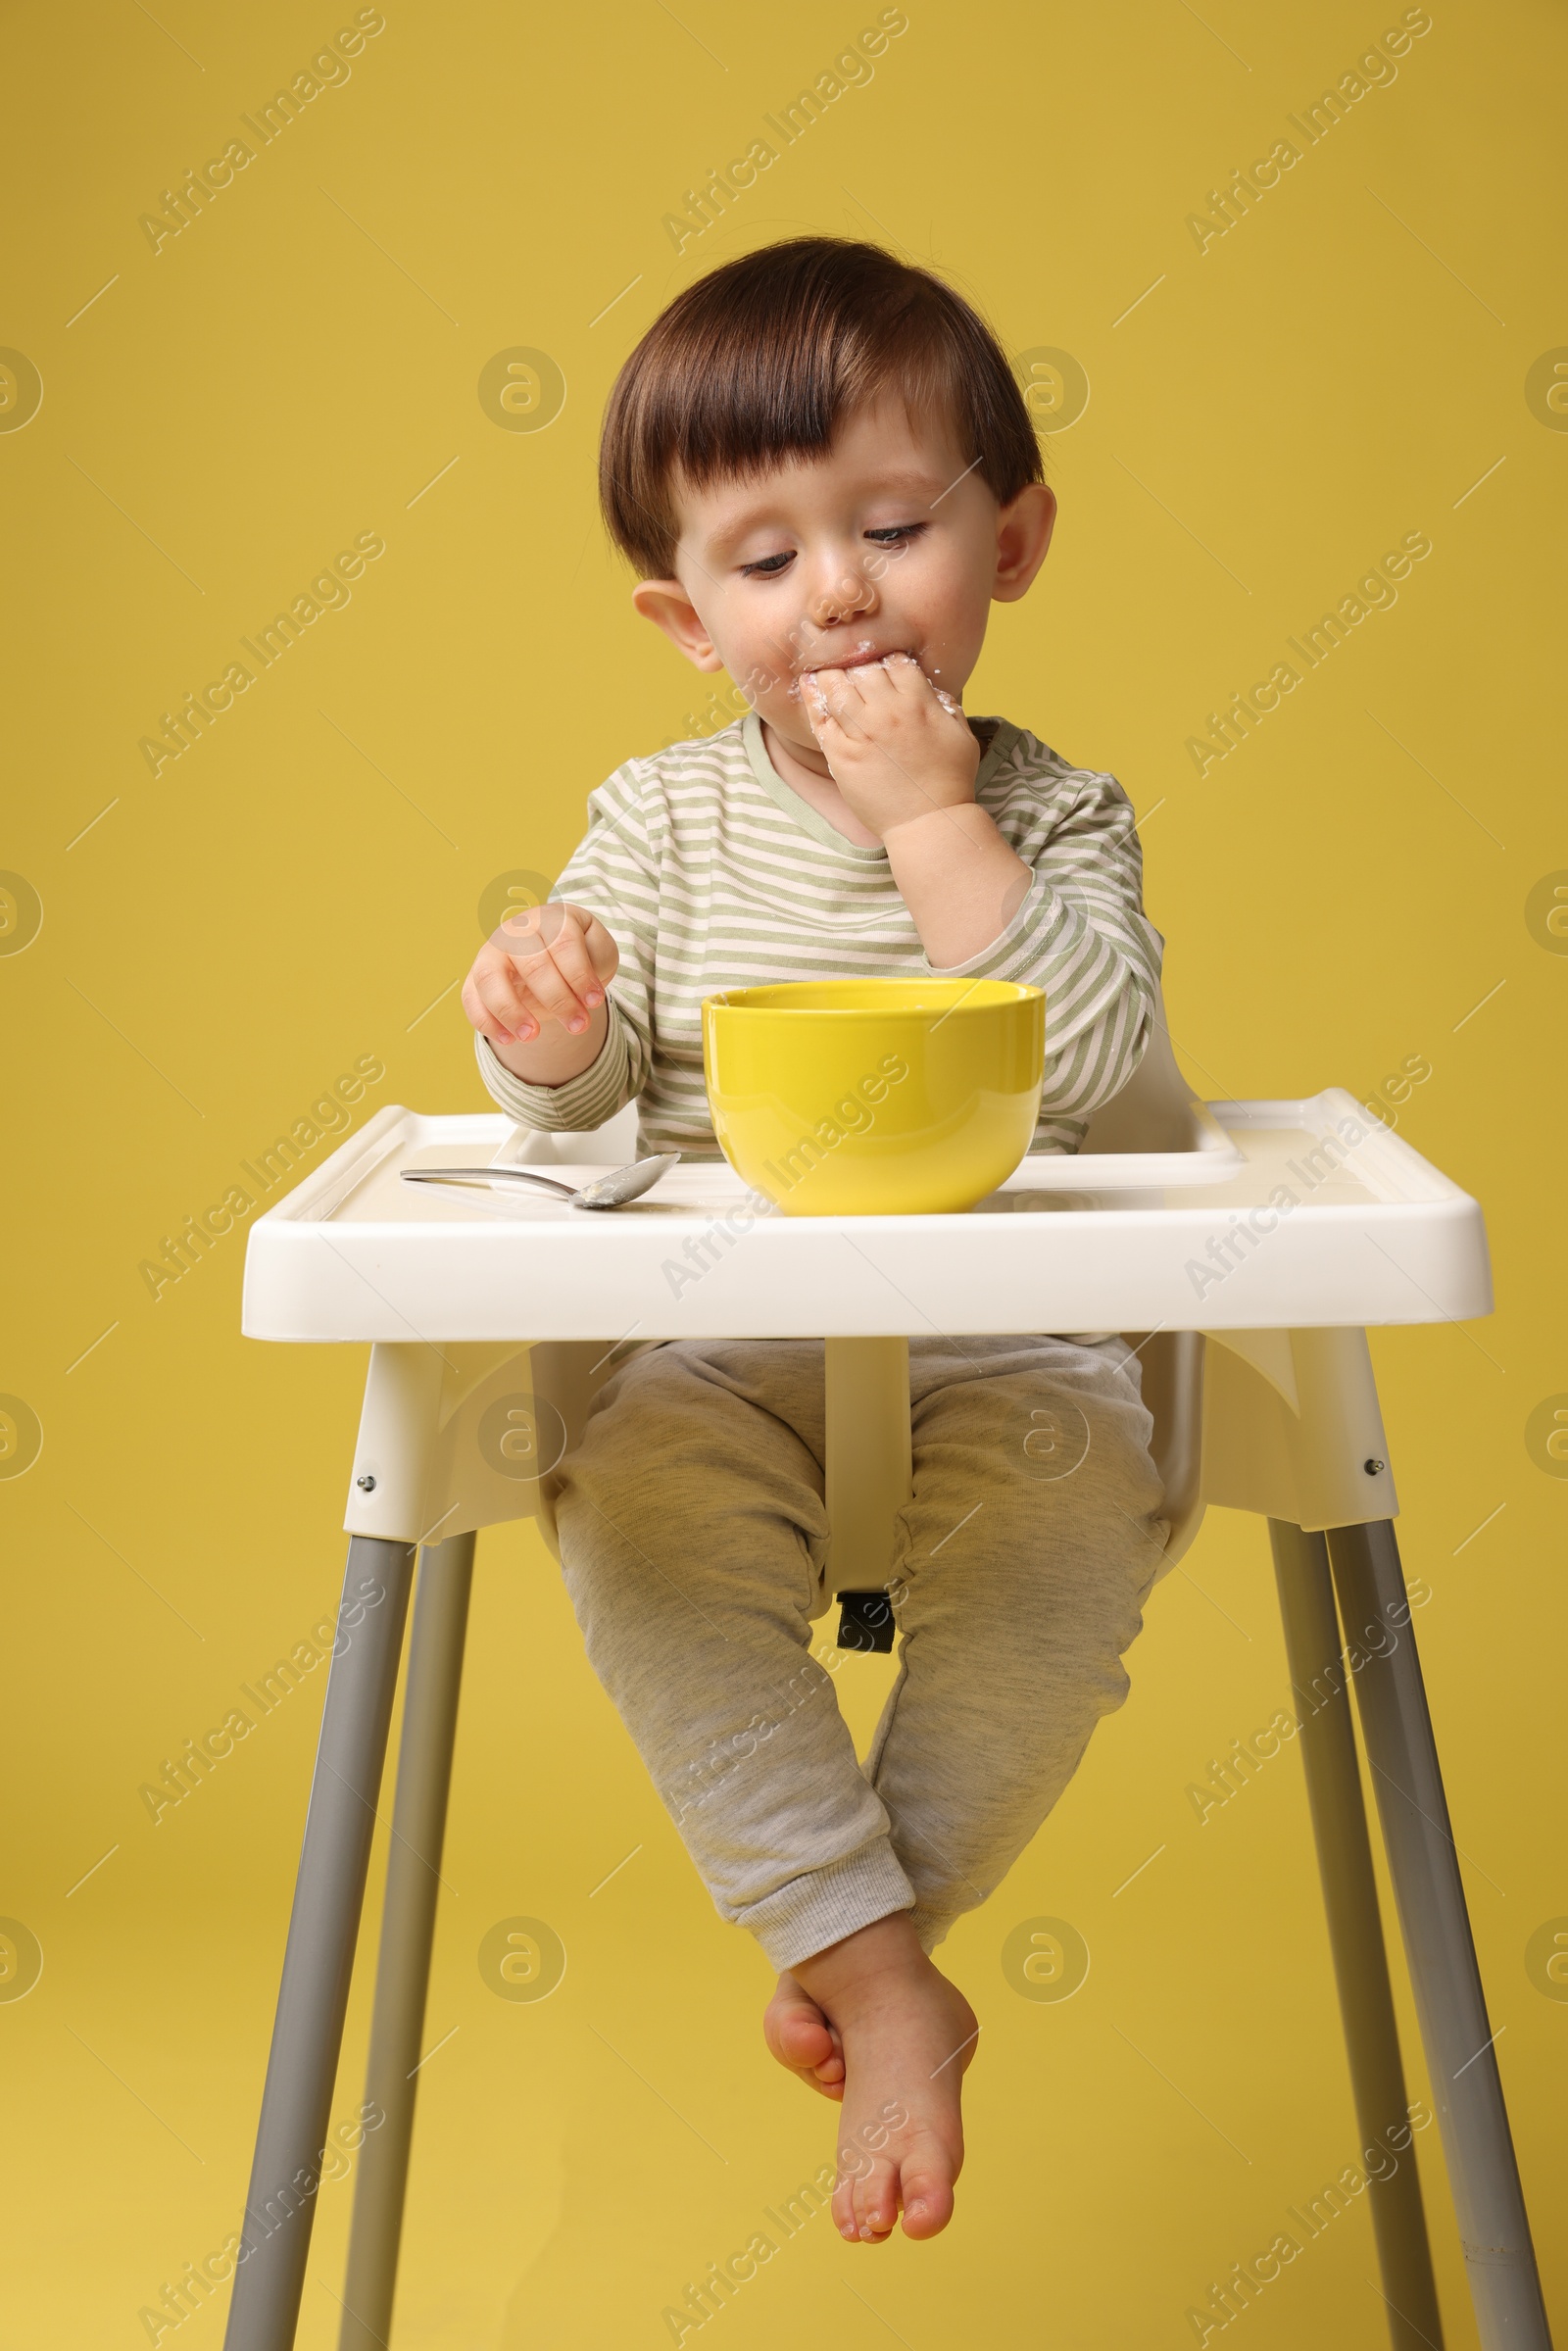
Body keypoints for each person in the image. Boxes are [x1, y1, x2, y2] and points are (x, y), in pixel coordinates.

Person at [461, 237, 1168, 2249]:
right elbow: (583, 1131)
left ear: (1007, 541)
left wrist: (941, 823)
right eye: (764, 563)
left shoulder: (1052, 809)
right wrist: (553, 1035)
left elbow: (1102, 1070)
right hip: (725, 1351)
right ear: (687, 620)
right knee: (631, 1511)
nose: (838, 591)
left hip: (1008, 1348)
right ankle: (883, 1982)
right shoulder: (661, 823)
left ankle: (866, 1950)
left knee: (1073, 1519)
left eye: (887, 526)